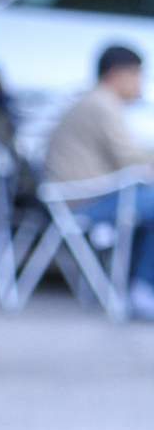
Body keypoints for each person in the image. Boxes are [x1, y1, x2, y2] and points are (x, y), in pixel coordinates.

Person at [45, 44, 154, 319]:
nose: (140, 84)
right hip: (83, 200)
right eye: (137, 75)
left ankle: (137, 285)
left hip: (78, 194)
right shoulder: (103, 104)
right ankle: (143, 289)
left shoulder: (93, 99)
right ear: (118, 75)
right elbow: (130, 159)